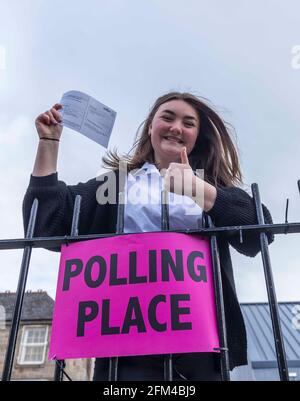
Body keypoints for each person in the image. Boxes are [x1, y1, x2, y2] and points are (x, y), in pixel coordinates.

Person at [23, 92, 274, 381]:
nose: (176, 127)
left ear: (197, 136)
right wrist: (49, 142)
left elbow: (260, 233)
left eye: (188, 123)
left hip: (198, 344)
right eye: (167, 117)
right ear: (150, 128)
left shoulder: (209, 184)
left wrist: (196, 188)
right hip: (124, 339)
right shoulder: (117, 184)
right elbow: (44, 225)